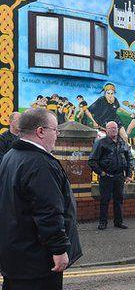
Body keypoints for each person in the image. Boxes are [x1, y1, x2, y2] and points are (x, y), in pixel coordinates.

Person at [0, 108, 82, 289]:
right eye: (55, 130)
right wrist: (59, 249)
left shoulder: (10, 157)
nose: (57, 136)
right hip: (37, 261)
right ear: (40, 131)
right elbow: (48, 212)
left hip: (14, 256)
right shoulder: (40, 163)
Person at [88, 121, 132, 230]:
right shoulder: (101, 142)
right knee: (105, 200)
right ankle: (103, 222)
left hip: (119, 176)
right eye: (111, 128)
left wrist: (128, 175)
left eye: (115, 128)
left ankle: (118, 222)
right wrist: (101, 173)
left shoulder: (122, 142)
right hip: (106, 176)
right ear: (106, 130)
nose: (114, 130)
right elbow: (92, 161)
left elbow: (129, 159)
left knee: (119, 200)